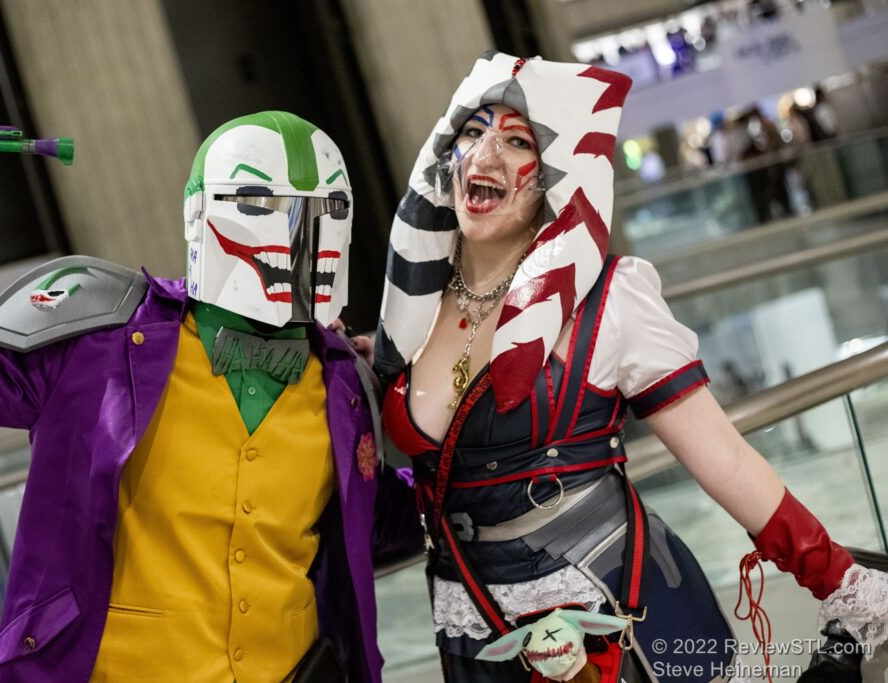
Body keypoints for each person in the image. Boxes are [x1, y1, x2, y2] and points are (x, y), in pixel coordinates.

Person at [0, 61, 420, 682]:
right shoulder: (98, 341)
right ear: (199, 215)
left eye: (323, 209)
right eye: (261, 202)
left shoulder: (342, 382)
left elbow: (383, 524)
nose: (293, 236)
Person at [374, 51, 888, 682]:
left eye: (516, 140)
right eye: (472, 133)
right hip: (470, 635)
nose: (484, 156)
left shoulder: (613, 297)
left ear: (557, 171)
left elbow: (724, 460)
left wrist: (837, 577)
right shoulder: (412, 309)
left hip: (614, 622)